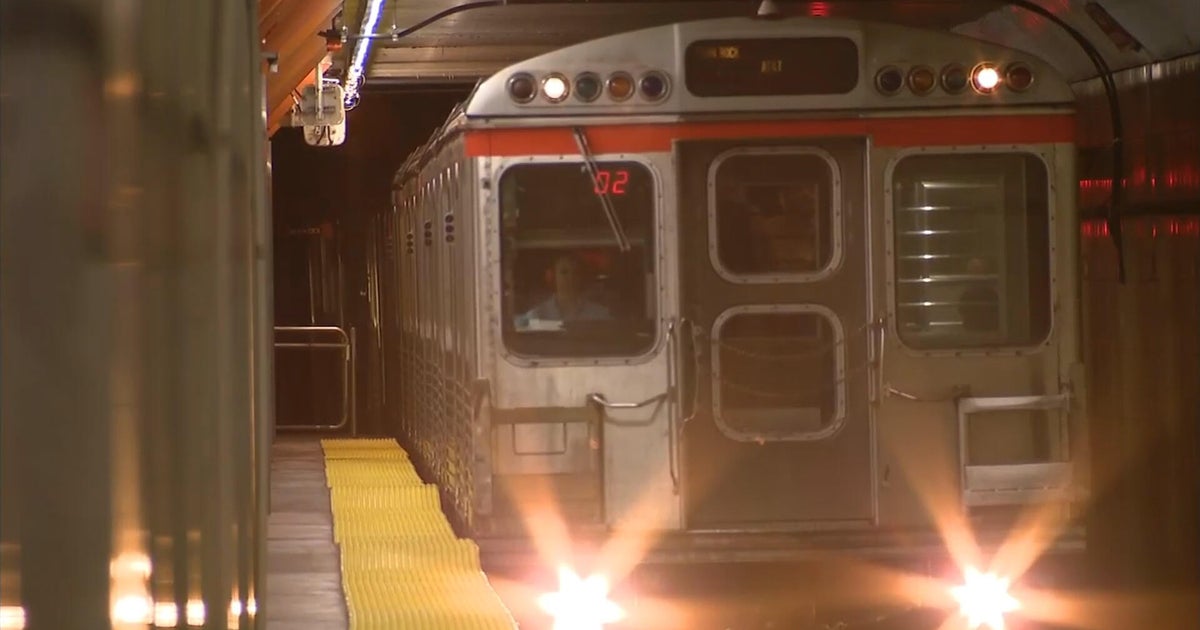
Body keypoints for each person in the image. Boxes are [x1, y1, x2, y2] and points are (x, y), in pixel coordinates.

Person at [515, 254, 611, 329]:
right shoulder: (536, 315)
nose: (570, 277)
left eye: (576, 272)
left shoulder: (600, 314)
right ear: (553, 277)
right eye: (564, 272)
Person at [959, 256, 1000, 332]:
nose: (974, 274)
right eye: (972, 271)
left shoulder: (991, 294)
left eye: (976, 270)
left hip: (988, 330)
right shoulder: (967, 294)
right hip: (972, 329)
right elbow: (962, 310)